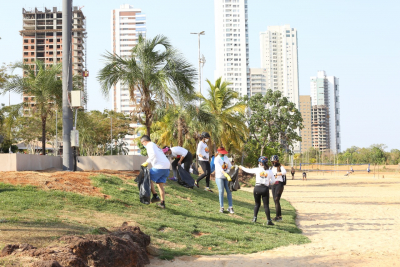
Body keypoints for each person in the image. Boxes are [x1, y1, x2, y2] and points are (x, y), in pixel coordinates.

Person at [239, 156, 275, 225]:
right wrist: (268, 183)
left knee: (257, 204)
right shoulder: (270, 171)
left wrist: (241, 167)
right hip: (265, 188)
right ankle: (268, 220)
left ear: (260, 163)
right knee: (266, 205)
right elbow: (273, 181)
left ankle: (254, 218)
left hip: (257, 188)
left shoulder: (257, 169)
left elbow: (248, 170)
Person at [140, 135, 171, 209]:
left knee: (147, 177)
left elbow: (152, 155)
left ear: (144, 141)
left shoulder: (149, 145)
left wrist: (146, 162)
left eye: (142, 143)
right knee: (160, 185)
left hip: (159, 166)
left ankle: (155, 196)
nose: (143, 145)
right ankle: (162, 203)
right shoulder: (155, 145)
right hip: (166, 167)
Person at [214, 147, 234, 213]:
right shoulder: (216, 159)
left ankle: (230, 207)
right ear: (219, 152)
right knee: (221, 191)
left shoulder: (226, 158)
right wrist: (226, 174)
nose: (223, 154)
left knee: (229, 191)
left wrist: (233, 167)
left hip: (226, 177)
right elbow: (220, 169)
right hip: (219, 177)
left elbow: (229, 166)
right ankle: (221, 207)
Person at [270, 155, 286, 222]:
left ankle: (278, 216)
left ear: (278, 161)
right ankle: (279, 216)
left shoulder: (281, 167)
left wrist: (277, 173)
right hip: (273, 185)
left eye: (275, 161)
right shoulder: (271, 168)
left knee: (276, 199)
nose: (274, 162)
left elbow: (284, 172)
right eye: (273, 161)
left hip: (279, 184)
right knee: (275, 200)